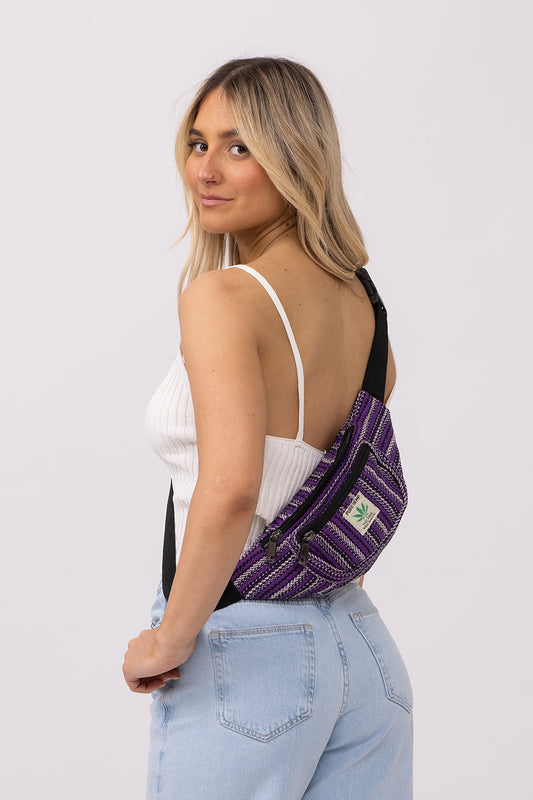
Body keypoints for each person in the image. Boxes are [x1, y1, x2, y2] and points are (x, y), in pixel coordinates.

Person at [122, 57, 413, 800]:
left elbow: (231, 488)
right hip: (362, 652)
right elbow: (336, 477)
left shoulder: (223, 297)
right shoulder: (363, 306)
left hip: (246, 658)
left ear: (295, 156)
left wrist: (170, 638)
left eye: (239, 147)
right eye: (198, 143)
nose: (206, 170)